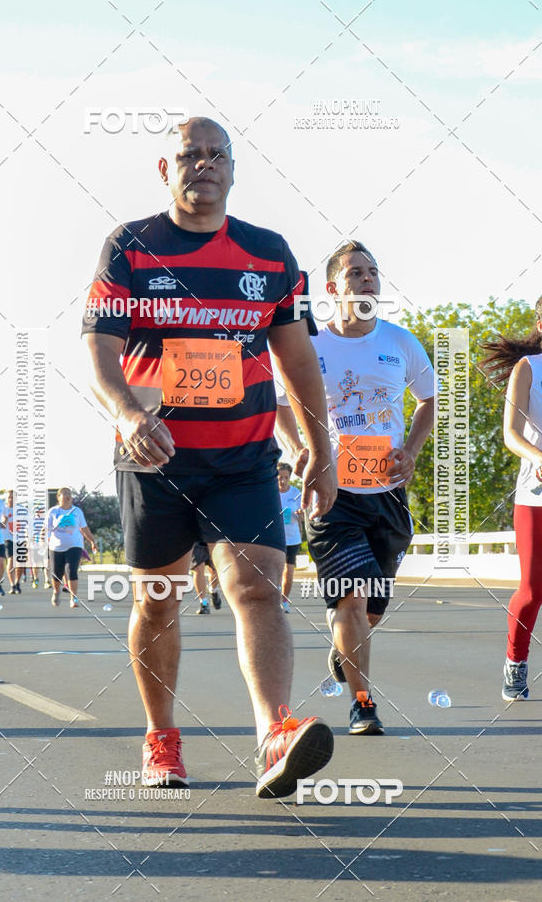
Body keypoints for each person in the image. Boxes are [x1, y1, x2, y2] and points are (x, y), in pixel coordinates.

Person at [82, 115, 337, 798]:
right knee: (160, 602)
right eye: (188, 155)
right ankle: (161, 737)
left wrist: (320, 445)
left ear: (232, 168)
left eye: (215, 154)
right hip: (155, 458)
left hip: (243, 457)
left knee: (256, 589)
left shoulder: (269, 253)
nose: (203, 165)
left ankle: (274, 736)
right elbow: (100, 352)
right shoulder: (131, 245)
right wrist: (129, 413)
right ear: (166, 170)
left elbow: (297, 356)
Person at [276, 241, 435, 735]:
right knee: (352, 599)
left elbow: (428, 399)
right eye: (356, 274)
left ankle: (347, 650)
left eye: (373, 272)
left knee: (370, 609)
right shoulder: (313, 347)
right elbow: (279, 405)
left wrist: (411, 449)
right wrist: (298, 446)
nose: (368, 280)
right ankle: (362, 704)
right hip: (331, 496)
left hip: (386, 495)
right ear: (332, 289)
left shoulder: (401, 341)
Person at [482, 297, 542, 700]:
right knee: (534, 590)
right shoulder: (528, 368)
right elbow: (511, 433)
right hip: (536, 495)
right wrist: (539, 457)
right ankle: (515, 661)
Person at [46, 488, 97, 608]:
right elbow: (47, 529)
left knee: (71, 570)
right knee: (57, 574)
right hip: (56, 547)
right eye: (65, 493)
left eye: (69, 493)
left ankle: (73, 598)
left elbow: (84, 528)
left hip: (74, 545)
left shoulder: (77, 511)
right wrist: (46, 541)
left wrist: (92, 541)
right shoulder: (53, 512)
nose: (68, 496)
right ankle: (56, 591)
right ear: (58, 497)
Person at [276, 463, 303, 613]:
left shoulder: (296, 492)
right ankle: (275, 600)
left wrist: (300, 513)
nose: (283, 481)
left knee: (289, 572)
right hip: (276, 538)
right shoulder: (271, 493)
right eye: (280, 478)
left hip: (292, 538)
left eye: (286, 478)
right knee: (277, 571)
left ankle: (284, 600)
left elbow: (303, 516)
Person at [190, 541, 222, 614]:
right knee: (198, 569)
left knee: (214, 571)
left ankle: (213, 591)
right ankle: (204, 603)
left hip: (211, 537)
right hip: (195, 539)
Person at [3, 490, 22, 595]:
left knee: (20, 563)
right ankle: (12, 584)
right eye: (9, 497)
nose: (11, 499)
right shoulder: (3, 509)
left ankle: (17, 582)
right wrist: (3, 520)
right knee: (10, 560)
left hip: (20, 539)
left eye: (13, 497)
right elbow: (0, 524)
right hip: (7, 539)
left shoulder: (21, 510)